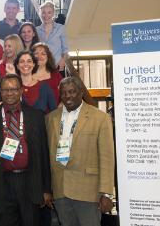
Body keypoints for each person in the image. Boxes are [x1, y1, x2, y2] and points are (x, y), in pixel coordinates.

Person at [0, 74, 52, 226]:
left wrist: (46, 189)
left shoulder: (36, 116)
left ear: (21, 91)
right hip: (1, 185)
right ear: (0, 92)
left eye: (14, 89)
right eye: (5, 90)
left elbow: (44, 155)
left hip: (30, 183)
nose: (9, 93)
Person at [46, 77, 114, 226]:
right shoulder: (50, 118)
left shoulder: (100, 118)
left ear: (81, 92)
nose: (67, 96)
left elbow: (107, 157)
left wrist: (107, 193)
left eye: (72, 92)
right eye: (63, 93)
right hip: (60, 191)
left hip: (88, 191)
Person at [36, 1, 69, 71]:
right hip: (41, 67)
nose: (46, 15)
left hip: (57, 66)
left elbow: (65, 50)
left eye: (49, 12)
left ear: (53, 14)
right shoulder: (36, 30)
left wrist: (62, 61)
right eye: (43, 13)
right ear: (41, 14)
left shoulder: (61, 28)